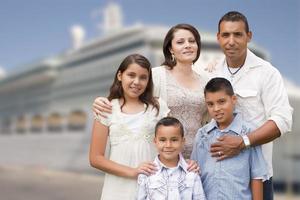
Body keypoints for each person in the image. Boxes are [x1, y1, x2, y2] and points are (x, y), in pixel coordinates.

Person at [201, 11, 293, 200]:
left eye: (238, 34)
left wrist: (243, 142)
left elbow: (282, 120)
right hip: (219, 175)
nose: (231, 41)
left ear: (248, 36)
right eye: (225, 35)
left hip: (256, 176)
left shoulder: (267, 73)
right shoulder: (211, 72)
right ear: (218, 38)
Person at [93, 23, 209, 159]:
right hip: (163, 157)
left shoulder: (206, 81)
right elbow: (130, 97)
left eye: (192, 41)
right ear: (171, 49)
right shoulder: (156, 75)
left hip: (198, 156)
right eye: (180, 42)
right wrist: (100, 101)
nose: (188, 45)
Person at [89, 54, 170, 200]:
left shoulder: (158, 107)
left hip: (152, 186)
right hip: (117, 189)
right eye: (131, 75)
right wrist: (133, 172)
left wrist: (186, 163)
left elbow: (169, 145)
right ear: (120, 75)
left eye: (143, 77)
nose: (136, 82)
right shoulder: (106, 109)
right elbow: (95, 158)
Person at [191, 77, 268, 200]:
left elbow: (257, 176)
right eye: (210, 104)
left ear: (233, 100)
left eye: (221, 102)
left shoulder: (249, 133)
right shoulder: (202, 135)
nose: (216, 109)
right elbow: (194, 174)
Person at [136, 117, 206, 200]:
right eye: (162, 140)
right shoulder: (147, 173)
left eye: (174, 140)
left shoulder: (191, 172)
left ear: (183, 141)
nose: (168, 145)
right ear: (155, 141)